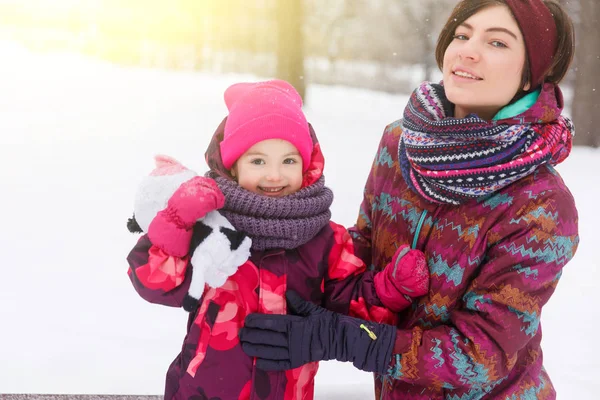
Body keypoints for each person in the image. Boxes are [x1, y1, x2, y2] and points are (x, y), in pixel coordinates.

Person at [239, 1, 579, 399]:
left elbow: (479, 354)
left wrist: (346, 339)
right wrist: (285, 266)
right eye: (462, 34)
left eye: (498, 43)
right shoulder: (401, 143)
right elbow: (363, 250)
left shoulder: (540, 204)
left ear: (530, 77)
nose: (468, 50)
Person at [126, 79, 430, 399]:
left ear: (307, 165)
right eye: (258, 161)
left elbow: (350, 308)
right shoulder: (212, 227)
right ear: (232, 166)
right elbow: (155, 284)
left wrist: (390, 288)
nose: (274, 175)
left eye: (288, 160)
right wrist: (176, 221)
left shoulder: (326, 240)